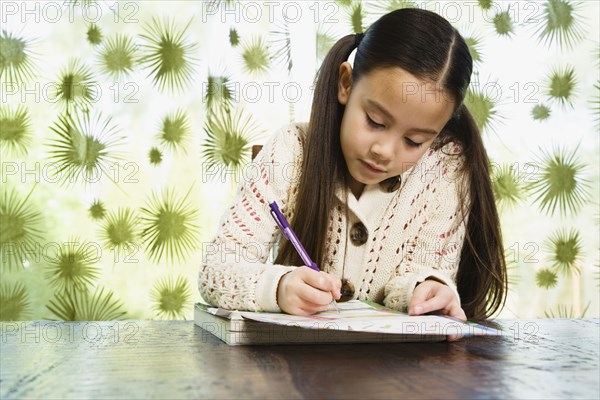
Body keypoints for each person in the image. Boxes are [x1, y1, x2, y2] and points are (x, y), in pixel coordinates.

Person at [199, 8, 506, 322]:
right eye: (375, 121)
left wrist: (426, 289)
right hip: (294, 365)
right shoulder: (290, 152)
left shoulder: (444, 170)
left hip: (393, 369)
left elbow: (421, 273)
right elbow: (217, 270)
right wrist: (278, 287)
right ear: (345, 84)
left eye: (414, 141)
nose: (384, 151)